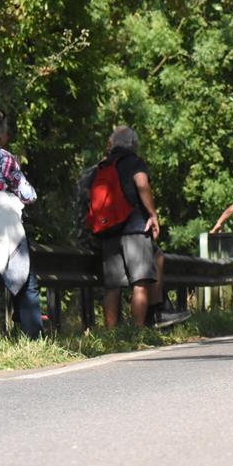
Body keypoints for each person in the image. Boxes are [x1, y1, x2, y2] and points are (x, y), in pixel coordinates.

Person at [0, 107, 42, 339]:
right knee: (26, 281)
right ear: (1, 134)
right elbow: (28, 196)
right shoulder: (3, 158)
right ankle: (33, 337)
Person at [97, 126, 162, 328]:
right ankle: (138, 331)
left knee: (113, 287)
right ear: (133, 144)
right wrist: (152, 213)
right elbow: (142, 184)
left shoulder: (103, 166)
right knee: (140, 283)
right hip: (134, 227)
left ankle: (111, 335)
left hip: (108, 230)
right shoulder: (134, 162)